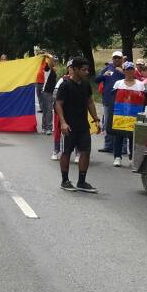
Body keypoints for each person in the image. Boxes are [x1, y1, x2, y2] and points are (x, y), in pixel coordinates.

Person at [56, 56, 100, 192]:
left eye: (87, 70)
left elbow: (90, 102)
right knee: (67, 152)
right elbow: (58, 104)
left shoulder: (86, 84)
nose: (87, 72)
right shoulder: (65, 85)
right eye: (84, 70)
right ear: (74, 69)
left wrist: (96, 119)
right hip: (69, 125)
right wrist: (63, 122)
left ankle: (82, 182)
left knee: (86, 151)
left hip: (83, 125)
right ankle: (65, 180)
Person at [110, 61, 146, 167]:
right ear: (124, 71)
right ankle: (117, 157)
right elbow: (113, 98)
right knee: (119, 135)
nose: (130, 71)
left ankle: (132, 158)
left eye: (132, 69)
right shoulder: (118, 83)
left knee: (132, 136)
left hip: (134, 114)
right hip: (120, 113)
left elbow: (144, 100)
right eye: (127, 69)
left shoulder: (140, 85)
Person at [95, 51, 124, 154]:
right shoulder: (108, 68)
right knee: (108, 124)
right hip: (108, 100)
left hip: (121, 101)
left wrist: (123, 72)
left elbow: (132, 80)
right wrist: (103, 75)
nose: (116, 60)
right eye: (115, 58)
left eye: (118, 58)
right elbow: (96, 79)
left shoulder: (126, 68)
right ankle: (108, 145)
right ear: (112, 59)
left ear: (122, 59)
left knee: (121, 123)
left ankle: (123, 147)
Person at [36, 55, 57, 134]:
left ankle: (44, 127)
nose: (55, 63)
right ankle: (48, 128)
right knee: (48, 110)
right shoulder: (47, 69)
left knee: (46, 110)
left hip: (48, 91)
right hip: (47, 91)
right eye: (54, 61)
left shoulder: (52, 70)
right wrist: (49, 56)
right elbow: (50, 63)